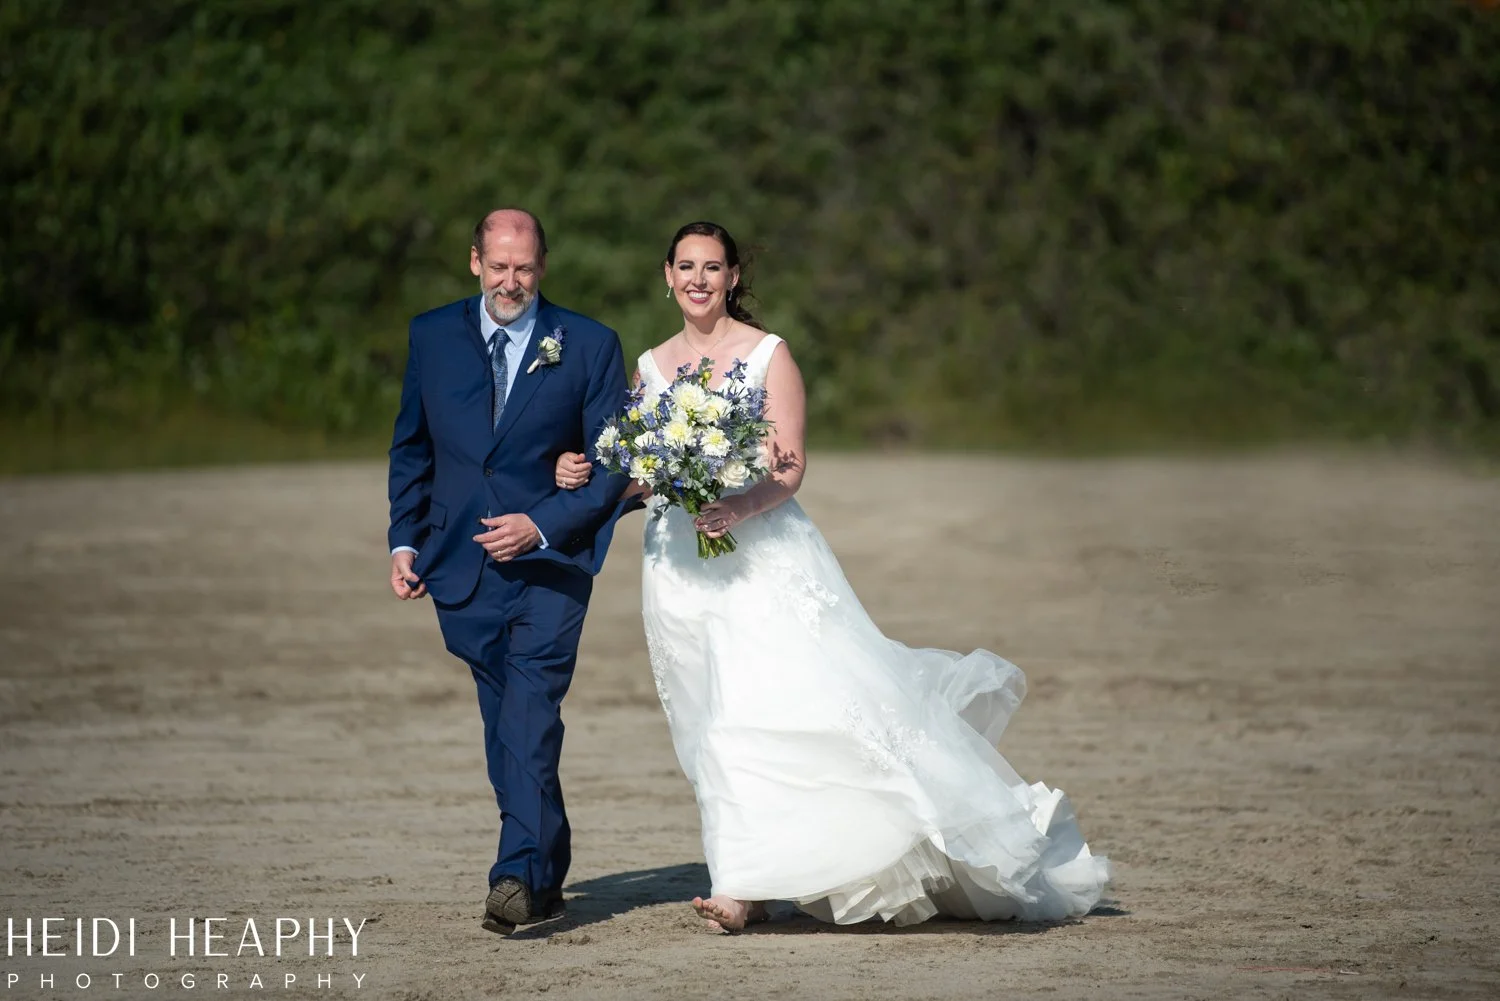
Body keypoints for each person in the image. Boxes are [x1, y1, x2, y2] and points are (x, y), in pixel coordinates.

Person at [551, 221, 1113, 932]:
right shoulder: (652, 365)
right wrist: (589, 474)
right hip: (677, 569)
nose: (698, 278)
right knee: (703, 721)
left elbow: (788, 467)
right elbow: (641, 469)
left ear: (730, 279)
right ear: (667, 275)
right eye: (686, 266)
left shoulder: (768, 355)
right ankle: (755, 866)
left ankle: (742, 885)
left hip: (759, 558)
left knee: (753, 714)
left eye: (713, 267)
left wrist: (737, 506)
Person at [387, 208, 636, 935]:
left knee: (528, 710)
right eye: (498, 266)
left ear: (543, 267)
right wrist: (404, 541)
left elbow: (612, 463)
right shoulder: (431, 336)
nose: (511, 280)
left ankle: (512, 872)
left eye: (524, 268)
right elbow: (414, 447)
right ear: (474, 262)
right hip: (458, 564)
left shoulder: (588, 345)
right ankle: (546, 867)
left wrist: (543, 523)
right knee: (506, 721)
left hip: (552, 567)